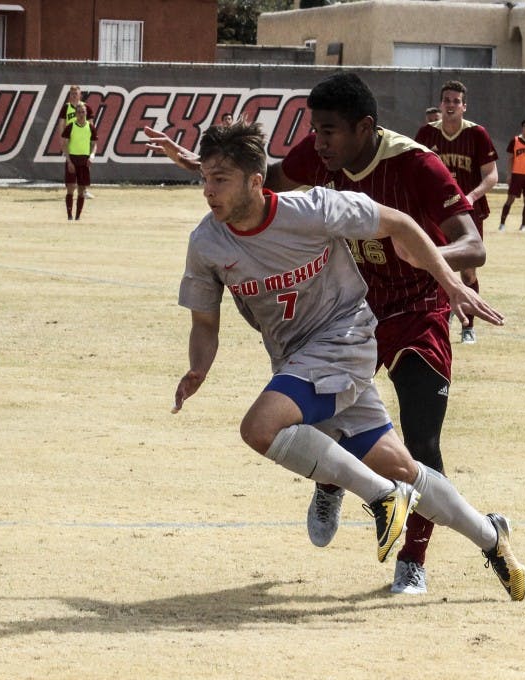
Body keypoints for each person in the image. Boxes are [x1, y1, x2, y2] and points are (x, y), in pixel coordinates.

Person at [145, 72, 488, 596]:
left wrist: (437, 269)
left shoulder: (412, 165)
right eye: (314, 130)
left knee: (413, 439)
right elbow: (255, 178)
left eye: (327, 132)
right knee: (357, 436)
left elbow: (469, 244)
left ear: (364, 128)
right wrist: (198, 166)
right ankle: (358, 488)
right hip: (335, 323)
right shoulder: (310, 162)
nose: (316, 143)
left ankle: (404, 547)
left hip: (405, 312)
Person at [415, 80, 499, 345]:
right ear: (441, 104)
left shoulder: (477, 134)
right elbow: (412, 169)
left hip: (466, 213)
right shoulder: (427, 134)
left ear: (464, 106)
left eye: (456, 101)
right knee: (435, 266)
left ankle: (468, 326)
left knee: (468, 271)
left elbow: (492, 175)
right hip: (436, 213)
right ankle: (442, 318)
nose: (451, 105)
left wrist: (471, 196)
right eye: (447, 100)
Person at [498, 119, 525, 232]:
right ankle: (502, 224)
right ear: (522, 128)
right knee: (510, 199)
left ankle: (523, 226)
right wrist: (509, 175)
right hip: (517, 175)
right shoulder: (515, 140)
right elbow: (510, 159)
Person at [56, 84, 96, 200]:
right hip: (70, 141)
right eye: (71, 94)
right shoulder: (66, 108)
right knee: (70, 165)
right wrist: (61, 139)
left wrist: (91, 140)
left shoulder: (86, 108)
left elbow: (91, 125)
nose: (73, 96)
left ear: (80, 95)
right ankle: (70, 189)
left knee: (85, 165)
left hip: (83, 140)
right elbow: (61, 124)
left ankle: (84, 190)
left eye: (76, 94)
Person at [61, 102, 98, 220]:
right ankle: (69, 216)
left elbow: (94, 144)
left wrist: (92, 155)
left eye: (83, 112)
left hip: (84, 160)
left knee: (82, 189)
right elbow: (64, 144)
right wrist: (69, 161)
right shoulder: (70, 126)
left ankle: (78, 217)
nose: (81, 114)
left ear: (86, 113)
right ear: (75, 114)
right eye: (79, 112)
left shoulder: (90, 127)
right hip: (72, 159)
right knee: (71, 187)